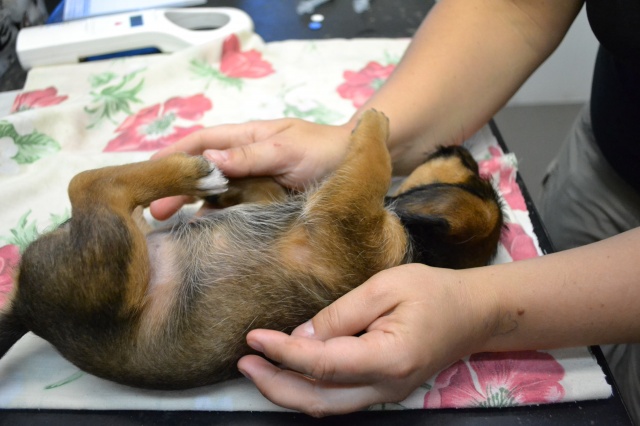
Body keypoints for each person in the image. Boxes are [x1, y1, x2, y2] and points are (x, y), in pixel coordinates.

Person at [149, 0, 640, 419]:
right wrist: (346, 144)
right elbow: (519, 8)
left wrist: (482, 309)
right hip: (609, 156)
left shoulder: (386, 232)